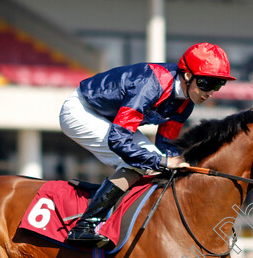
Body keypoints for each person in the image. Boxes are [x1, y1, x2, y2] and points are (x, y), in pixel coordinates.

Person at [60, 42, 236, 247]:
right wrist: (161, 161)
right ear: (187, 75)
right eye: (206, 83)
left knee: (156, 162)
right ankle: (84, 226)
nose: (210, 93)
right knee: (141, 163)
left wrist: (180, 164)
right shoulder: (151, 84)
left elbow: (166, 144)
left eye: (217, 85)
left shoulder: (186, 102)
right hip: (81, 111)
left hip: (111, 119)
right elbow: (118, 140)